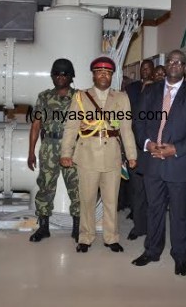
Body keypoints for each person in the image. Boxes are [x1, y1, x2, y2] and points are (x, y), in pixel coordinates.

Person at [132, 50, 186, 276]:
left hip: (179, 163)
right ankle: (152, 251)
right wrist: (147, 144)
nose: (174, 64)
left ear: (184, 67)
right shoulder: (151, 91)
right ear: (165, 65)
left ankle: (180, 256)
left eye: (179, 62)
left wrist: (175, 149)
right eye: (171, 61)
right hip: (152, 161)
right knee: (154, 209)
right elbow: (139, 121)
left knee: (180, 213)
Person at [60, 56, 137, 253]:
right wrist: (66, 152)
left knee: (112, 200)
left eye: (108, 73)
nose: (104, 75)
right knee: (87, 200)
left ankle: (111, 237)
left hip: (112, 155)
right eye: (100, 72)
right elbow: (71, 127)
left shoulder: (121, 98)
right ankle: (85, 237)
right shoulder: (81, 97)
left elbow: (127, 129)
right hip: (87, 156)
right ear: (93, 75)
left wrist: (131, 155)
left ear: (112, 76)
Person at [28, 59, 80, 242]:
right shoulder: (44, 97)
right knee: (45, 188)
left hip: (73, 148)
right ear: (52, 76)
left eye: (64, 74)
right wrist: (31, 152)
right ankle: (43, 227)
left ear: (71, 77)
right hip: (49, 146)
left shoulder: (80, 97)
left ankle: (78, 228)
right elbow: (35, 125)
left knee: (77, 188)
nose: (60, 77)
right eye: (57, 73)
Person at [124, 59, 155, 240]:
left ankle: (152, 227)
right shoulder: (131, 90)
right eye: (142, 68)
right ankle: (138, 226)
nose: (145, 71)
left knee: (152, 191)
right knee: (137, 190)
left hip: (154, 149)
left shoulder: (161, 89)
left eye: (148, 68)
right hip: (134, 146)